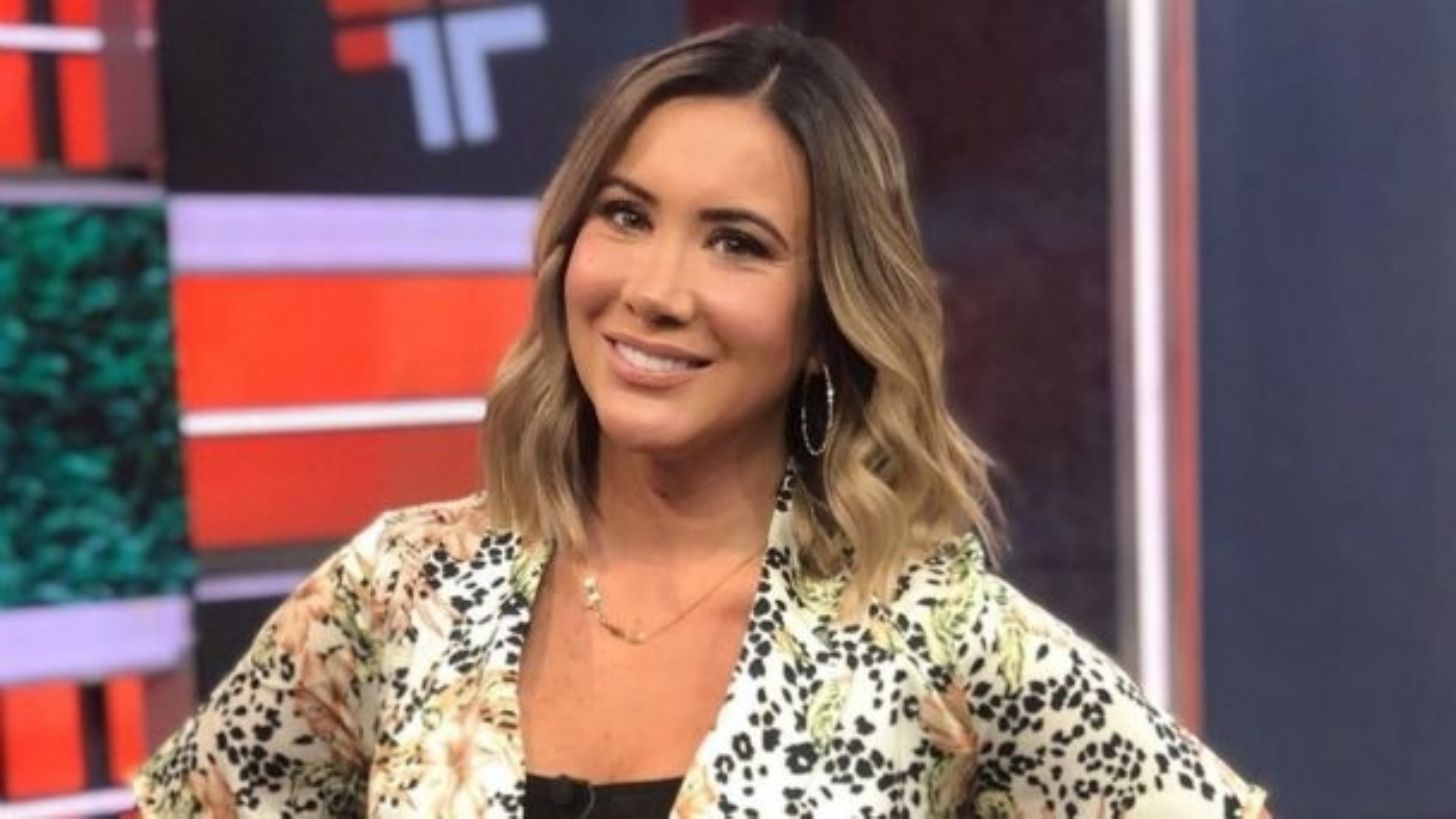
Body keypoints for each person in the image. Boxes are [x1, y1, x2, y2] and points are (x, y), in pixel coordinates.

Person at [134, 23, 1268, 818]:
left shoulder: (929, 632)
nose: (656, 289)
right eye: (626, 216)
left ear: (827, 315)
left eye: (737, 243)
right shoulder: (400, 588)